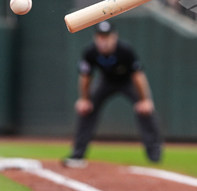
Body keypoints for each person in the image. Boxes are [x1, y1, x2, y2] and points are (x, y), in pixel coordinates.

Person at [64, 20, 162, 168]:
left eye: (107, 37)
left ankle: (154, 154)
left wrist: (144, 99)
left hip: (127, 82)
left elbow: (138, 76)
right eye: (100, 37)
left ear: (114, 37)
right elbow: (85, 77)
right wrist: (84, 99)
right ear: (96, 38)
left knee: (146, 111)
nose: (104, 41)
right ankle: (77, 154)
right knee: (87, 111)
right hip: (106, 82)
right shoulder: (90, 52)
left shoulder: (125, 50)